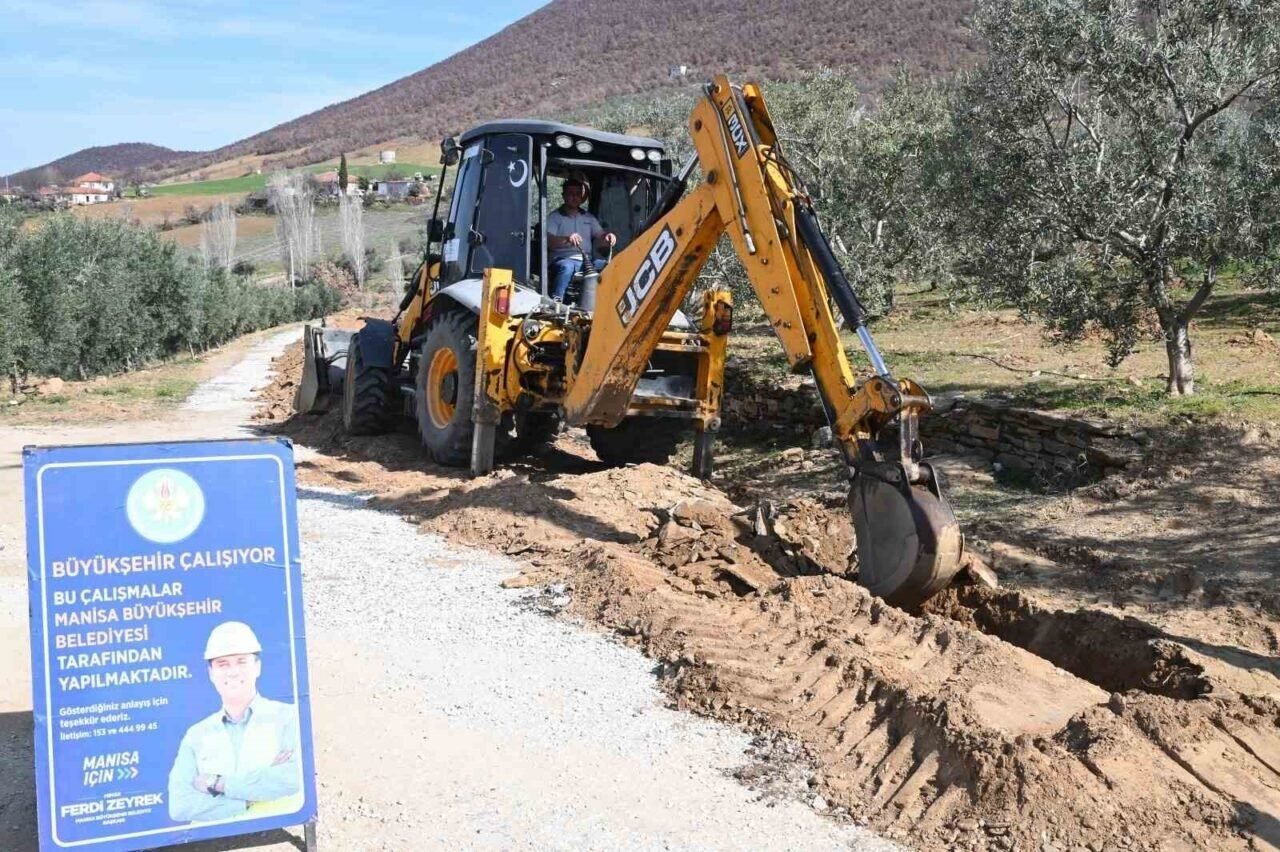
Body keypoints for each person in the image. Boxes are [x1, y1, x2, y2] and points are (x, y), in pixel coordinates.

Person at [167, 621, 303, 823]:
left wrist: (218, 783)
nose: (233, 672)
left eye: (241, 661)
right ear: (211, 673)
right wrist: (246, 801)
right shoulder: (196, 735)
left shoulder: (289, 717)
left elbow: (293, 779)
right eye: (223, 664)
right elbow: (180, 806)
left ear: (257, 667)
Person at [546, 174, 617, 302]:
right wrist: (568, 239)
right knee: (566, 267)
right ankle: (556, 301)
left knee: (608, 265)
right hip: (562, 259)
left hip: (586, 261)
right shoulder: (555, 217)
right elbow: (549, 241)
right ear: (563, 196)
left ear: (582, 197)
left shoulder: (588, 218)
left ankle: (605, 301)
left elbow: (600, 234)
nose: (574, 197)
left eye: (578, 194)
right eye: (570, 193)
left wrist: (608, 236)